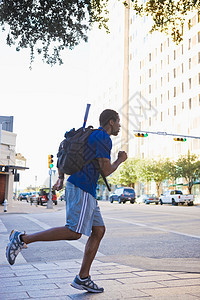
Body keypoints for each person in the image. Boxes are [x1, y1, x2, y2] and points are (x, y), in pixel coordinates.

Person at [6, 109, 127, 293]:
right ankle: (22, 239)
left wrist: (61, 177)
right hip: (82, 188)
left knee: (99, 230)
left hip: (84, 189)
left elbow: (65, 149)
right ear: (111, 122)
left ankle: (83, 278)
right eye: (118, 122)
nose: (119, 126)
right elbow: (107, 169)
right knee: (73, 232)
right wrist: (120, 160)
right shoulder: (103, 137)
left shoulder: (89, 135)